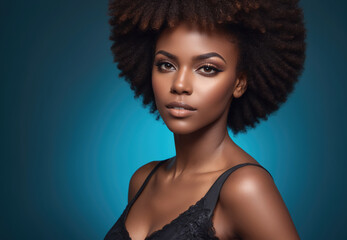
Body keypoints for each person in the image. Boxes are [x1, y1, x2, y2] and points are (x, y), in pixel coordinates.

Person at [105, 0, 306, 239]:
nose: (179, 85)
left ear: (239, 83)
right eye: (166, 65)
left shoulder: (245, 187)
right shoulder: (142, 180)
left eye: (207, 69)